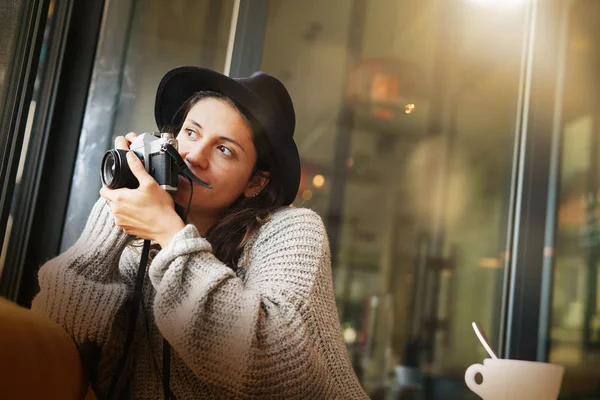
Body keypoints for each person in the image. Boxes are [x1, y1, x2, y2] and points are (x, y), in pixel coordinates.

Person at [31, 66, 369, 399]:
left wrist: (170, 234)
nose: (193, 156)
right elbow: (56, 351)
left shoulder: (290, 230)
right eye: (191, 133)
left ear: (255, 183)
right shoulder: (140, 250)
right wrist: (113, 210)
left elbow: (271, 363)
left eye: (224, 149)